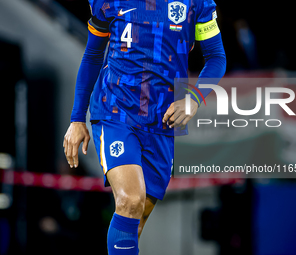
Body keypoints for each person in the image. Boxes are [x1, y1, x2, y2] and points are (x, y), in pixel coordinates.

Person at [63, 0, 226, 253]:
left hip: (162, 123)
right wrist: (76, 119)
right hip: (115, 112)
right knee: (130, 199)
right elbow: (93, 55)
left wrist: (194, 99)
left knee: (134, 222)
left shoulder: (197, 3)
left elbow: (216, 58)